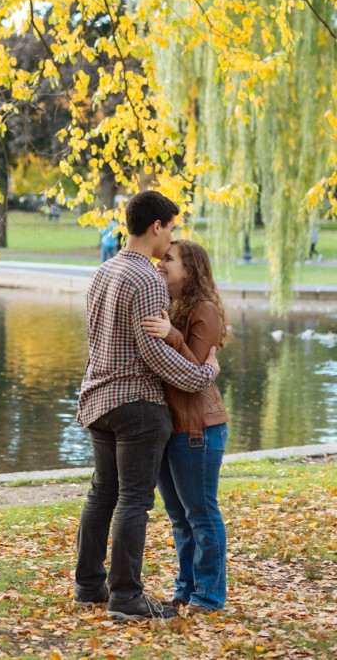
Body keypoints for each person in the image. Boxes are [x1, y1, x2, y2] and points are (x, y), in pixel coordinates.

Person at [74, 190, 221, 621]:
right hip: (136, 404)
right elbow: (151, 350)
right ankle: (125, 597)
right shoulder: (147, 278)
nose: (170, 236)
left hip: (98, 398)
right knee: (134, 500)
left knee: (102, 493)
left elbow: (97, 338)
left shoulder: (104, 270)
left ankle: (88, 586)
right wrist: (202, 375)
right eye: (171, 227)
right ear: (157, 226)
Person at [141, 240, 230, 614]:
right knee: (179, 516)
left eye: (169, 259)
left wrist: (171, 335)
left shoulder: (204, 311)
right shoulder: (171, 306)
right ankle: (186, 589)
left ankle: (209, 597)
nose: (161, 263)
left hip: (198, 429)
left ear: (189, 269)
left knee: (201, 513)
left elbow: (194, 371)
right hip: (170, 427)